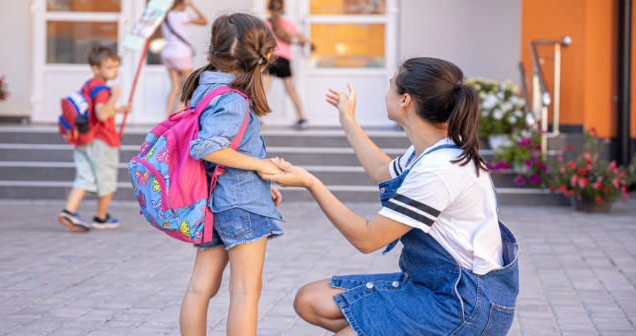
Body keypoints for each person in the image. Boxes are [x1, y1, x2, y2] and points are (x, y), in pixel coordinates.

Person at [261, 57, 520, 335]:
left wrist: (311, 183)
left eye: (389, 85)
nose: (386, 93)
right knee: (311, 301)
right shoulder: (431, 150)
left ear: (405, 100)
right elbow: (381, 171)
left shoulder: (440, 169)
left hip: (463, 304)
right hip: (432, 287)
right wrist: (347, 119)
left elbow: (367, 238)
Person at [178, 13, 285, 336]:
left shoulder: (203, 87)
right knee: (245, 292)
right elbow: (207, 148)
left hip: (213, 201)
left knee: (200, 288)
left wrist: (260, 180)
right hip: (241, 204)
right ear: (261, 57)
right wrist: (261, 167)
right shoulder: (234, 99)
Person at [57, 46, 132, 232]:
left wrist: (119, 110)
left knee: (84, 176)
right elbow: (101, 114)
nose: (114, 71)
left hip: (86, 138)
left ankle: (69, 210)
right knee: (106, 179)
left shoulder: (89, 84)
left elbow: (95, 112)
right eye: (109, 67)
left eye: (116, 66)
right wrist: (115, 96)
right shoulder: (102, 90)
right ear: (96, 68)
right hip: (103, 141)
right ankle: (101, 217)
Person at [263, 0, 309, 129]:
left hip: (269, 58)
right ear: (283, 9)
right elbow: (303, 40)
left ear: (269, 8)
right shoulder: (288, 24)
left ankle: (256, 117)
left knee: (264, 89)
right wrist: (292, 41)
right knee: (291, 89)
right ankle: (302, 118)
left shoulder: (264, 24)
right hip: (283, 60)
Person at [162, 0, 207, 115]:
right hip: (181, 53)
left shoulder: (165, 15)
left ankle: (168, 115)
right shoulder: (182, 15)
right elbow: (204, 21)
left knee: (175, 87)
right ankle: (178, 115)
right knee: (189, 86)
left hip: (168, 53)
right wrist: (192, 6)